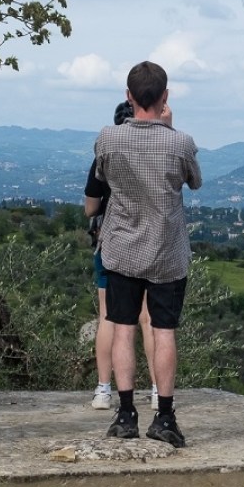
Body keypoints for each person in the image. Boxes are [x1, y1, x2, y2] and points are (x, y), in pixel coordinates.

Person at [94, 61, 201, 446]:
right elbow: (195, 181)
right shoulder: (180, 142)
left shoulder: (107, 138)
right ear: (165, 97)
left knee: (122, 328)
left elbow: (103, 177)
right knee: (163, 330)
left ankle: (125, 414)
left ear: (129, 96)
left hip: (121, 247)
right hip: (167, 251)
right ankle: (165, 416)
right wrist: (168, 130)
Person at [84, 99, 157, 411]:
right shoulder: (160, 153)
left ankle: (103, 389)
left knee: (108, 316)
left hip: (113, 243)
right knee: (149, 319)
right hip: (152, 243)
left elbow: (90, 207)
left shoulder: (106, 155)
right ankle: (158, 390)